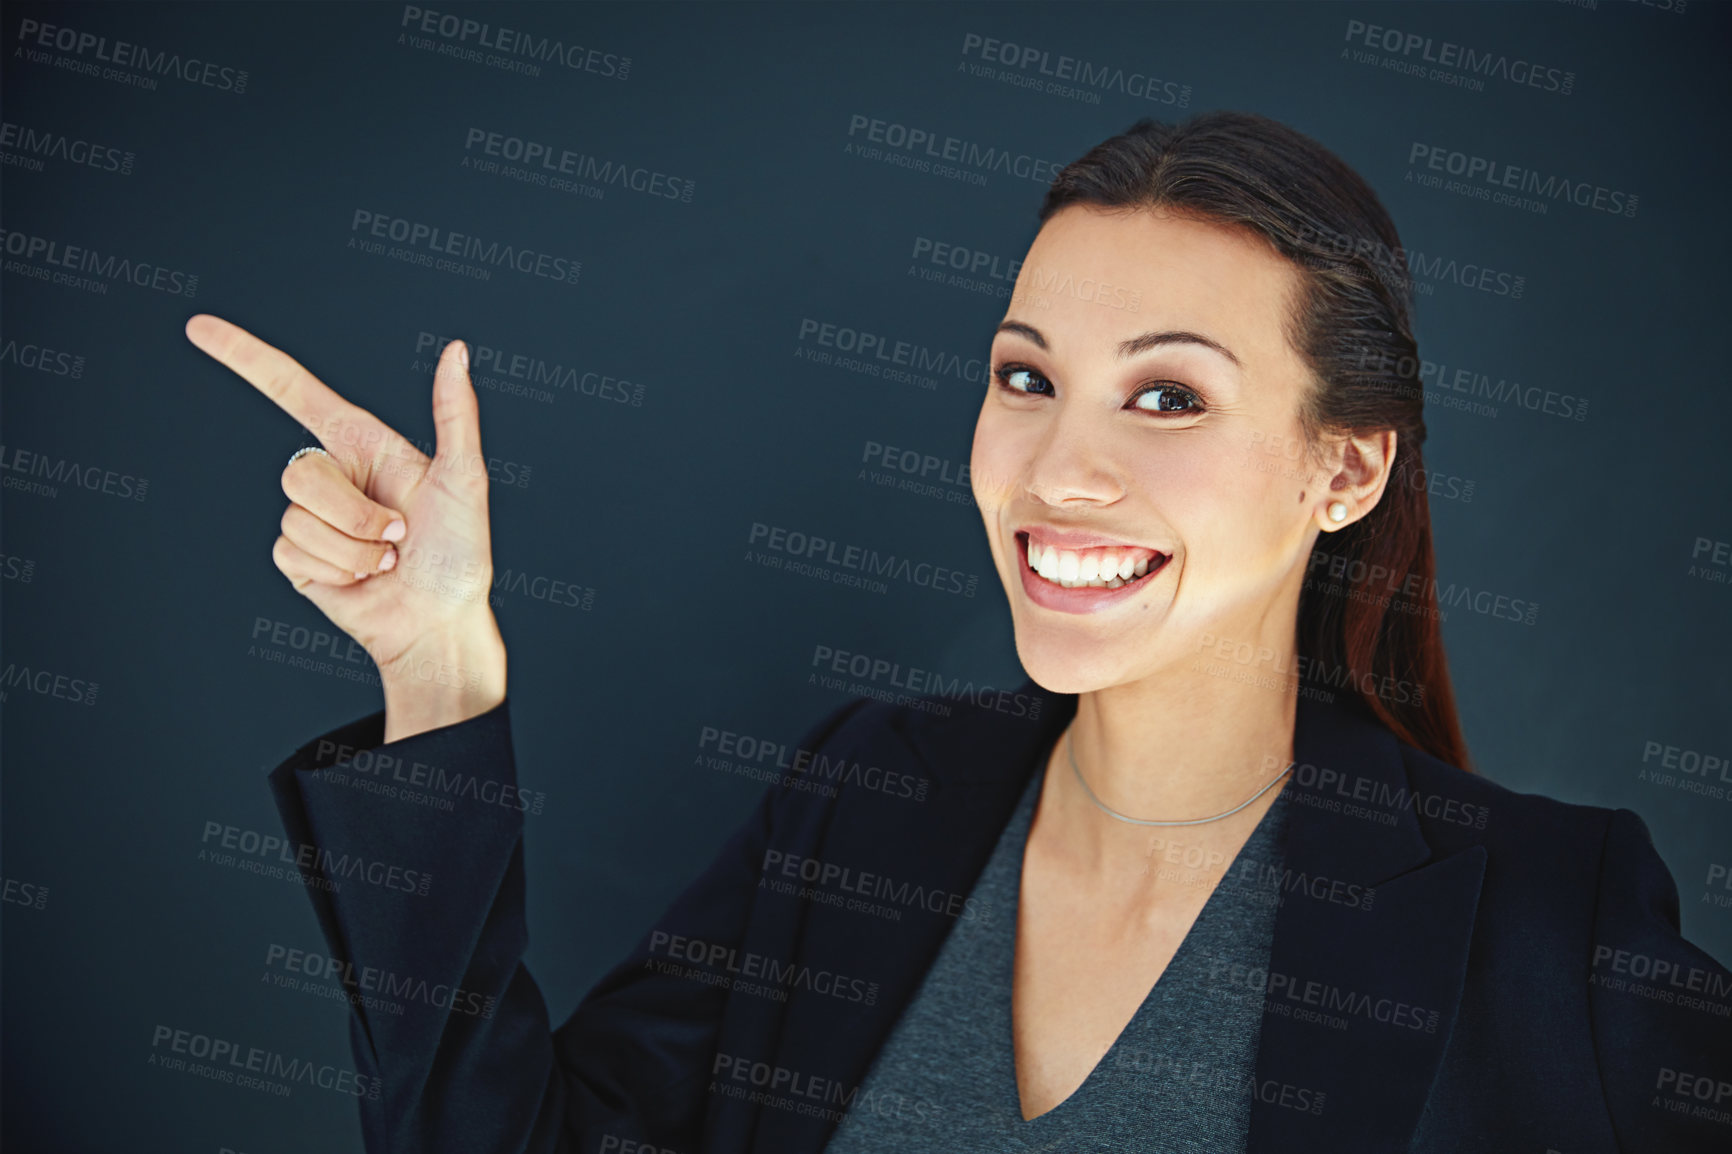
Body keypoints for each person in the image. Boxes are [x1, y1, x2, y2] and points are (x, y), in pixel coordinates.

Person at [188, 111, 1731, 1153]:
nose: (1061, 467)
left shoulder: (1551, 917)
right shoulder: (874, 793)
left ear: (1348, 466)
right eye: (1024, 374)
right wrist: (435, 660)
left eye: (1171, 395)